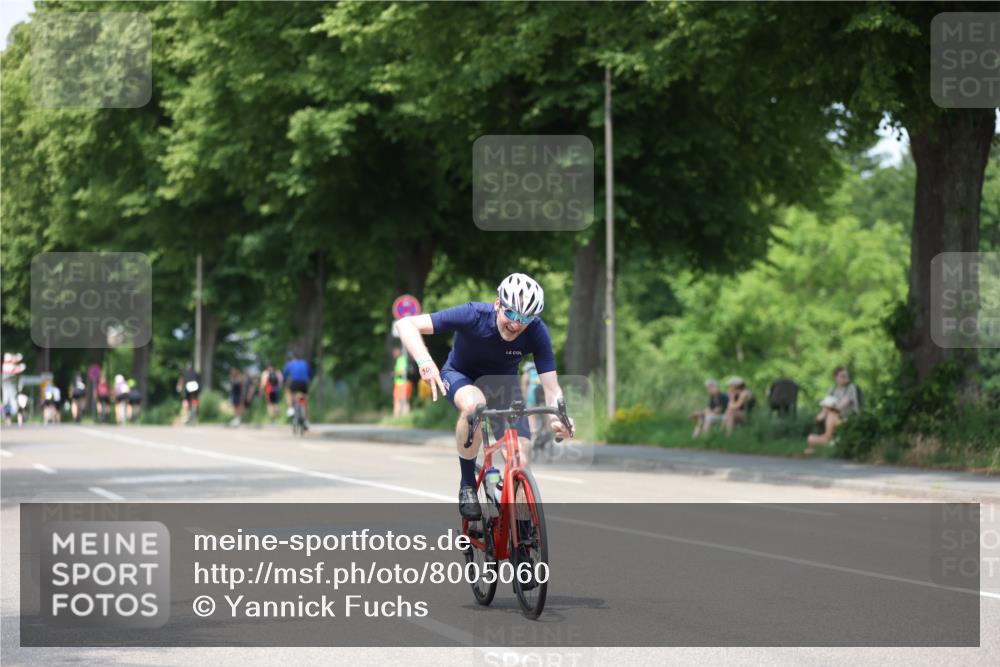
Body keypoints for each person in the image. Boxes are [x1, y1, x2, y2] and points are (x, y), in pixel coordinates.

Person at [395, 272, 575, 520]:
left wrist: (559, 417)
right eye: (511, 314)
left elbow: (552, 389)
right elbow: (406, 324)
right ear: (498, 303)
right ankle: (467, 484)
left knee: (521, 457)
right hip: (461, 376)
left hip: (503, 387)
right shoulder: (473, 315)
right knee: (473, 406)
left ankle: (522, 535)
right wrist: (425, 362)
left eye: (525, 318)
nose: (516, 324)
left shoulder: (536, 331)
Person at [805, 366, 861, 453]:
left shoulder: (851, 387)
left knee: (831, 414)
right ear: (836, 377)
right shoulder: (832, 389)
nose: (845, 378)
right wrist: (822, 415)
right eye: (842, 376)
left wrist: (831, 408)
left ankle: (828, 438)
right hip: (834, 418)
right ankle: (826, 440)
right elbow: (826, 405)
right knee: (820, 419)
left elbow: (843, 404)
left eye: (846, 375)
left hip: (848, 418)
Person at [283, 351, 312, 429]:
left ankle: (290, 409)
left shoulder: (290, 364)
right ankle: (306, 421)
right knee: (305, 401)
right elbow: (310, 374)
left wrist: (284, 383)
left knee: (288, 392)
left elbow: (285, 375)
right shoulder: (305, 363)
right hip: (304, 383)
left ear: (292, 358)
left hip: (295, 383)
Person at [391, 346, 412, 417]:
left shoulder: (401, 360)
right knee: (403, 401)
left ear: (399, 352)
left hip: (401, 384)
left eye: (395, 352)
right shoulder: (400, 360)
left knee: (398, 401)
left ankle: (396, 417)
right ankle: (405, 417)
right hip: (401, 383)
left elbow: (403, 372)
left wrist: (394, 373)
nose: (393, 354)